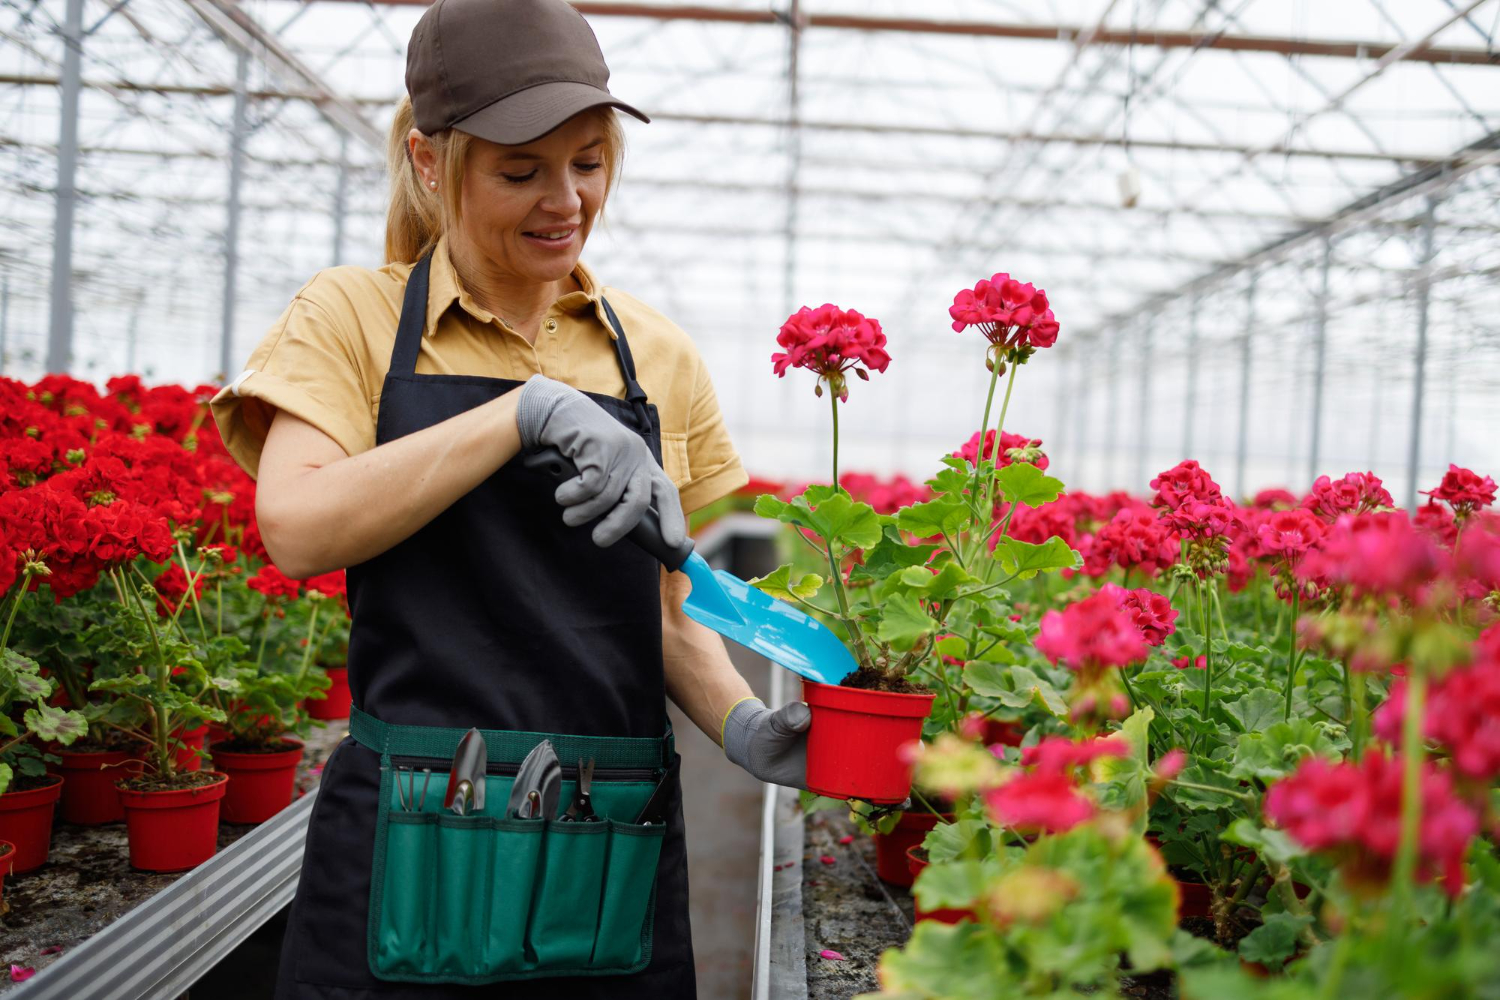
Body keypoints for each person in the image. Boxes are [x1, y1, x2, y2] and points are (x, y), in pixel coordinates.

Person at [210, 1, 810, 996]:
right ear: (432, 163)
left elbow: (662, 612)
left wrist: (744, 725)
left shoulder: (654, 354)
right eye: (521, 171)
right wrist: (518, 414)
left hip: (602, 847)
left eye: (589, 161)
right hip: (411, 847)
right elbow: (297, 526)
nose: (566, 200)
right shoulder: (354, 316)